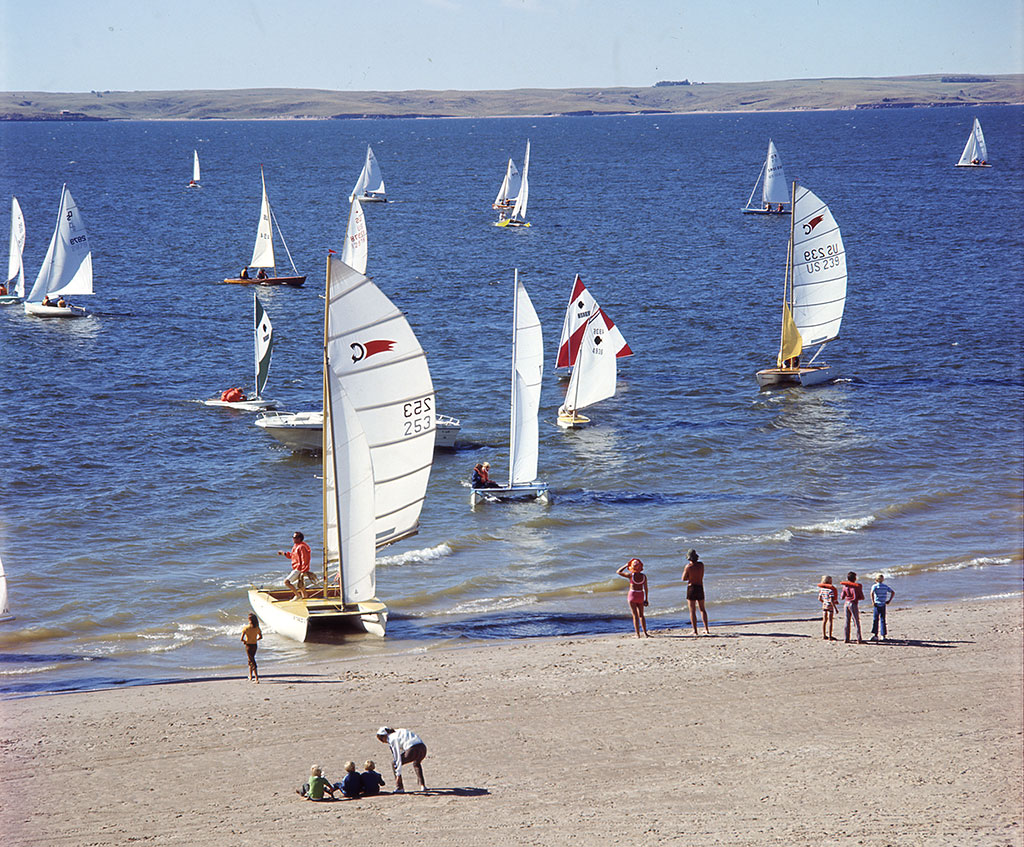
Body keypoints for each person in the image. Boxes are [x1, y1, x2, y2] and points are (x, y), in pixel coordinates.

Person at [376, 726, 428, 793]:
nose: (384, 742)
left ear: (384, 736)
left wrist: (398, 775)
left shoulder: (392, 739)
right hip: (423, 748)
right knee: (416, 763)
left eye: (382, 740)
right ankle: (423, 785)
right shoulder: (399, 731)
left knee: (394, 764)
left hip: (412, 749)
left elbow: (397, 757)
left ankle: (400, 787)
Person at [616, 558, 650, 638]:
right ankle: (645, 633)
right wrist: (646, 599)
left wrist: (625, 565)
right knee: (641, 615)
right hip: (641, 595)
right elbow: (646, 588)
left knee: (635, 615)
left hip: (632, 595)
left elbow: (618, 572)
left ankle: (637, 634)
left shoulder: (631, 575)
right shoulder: (644, 576)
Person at [682, 549, 710, 636]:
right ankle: (706, 629)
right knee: (702, 609)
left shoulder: (688, 567)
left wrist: (689, 577)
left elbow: (683, 578)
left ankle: (695, 630)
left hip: (692, 588)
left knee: (692, 611)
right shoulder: (701, 565)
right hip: (700, 587)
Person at [279, 531, 313, 599]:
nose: (293, 539)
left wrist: (304, 570)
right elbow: (292, 556)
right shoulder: (296, 546)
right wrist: (284, 554)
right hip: (297, 568)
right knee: (301, 586)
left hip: (299, 569)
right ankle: (305, 597)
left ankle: (297, 595)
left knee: (287, 582)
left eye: (295, 537)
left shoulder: (302, 547)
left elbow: (305, 559)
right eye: (293, 537)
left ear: (299, 538)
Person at [840, 571, 865, 644]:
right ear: (855, 579)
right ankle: (859, 639)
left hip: (846, 604)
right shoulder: (857, 587)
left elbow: (842, 597)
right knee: (856, 621)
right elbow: (861, 597)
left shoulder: (845, 586)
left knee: (847, 621)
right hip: (853, 604)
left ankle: (846, 638)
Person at [870, 573, 896, 641]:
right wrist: (889, 600)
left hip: (877, 604)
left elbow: (871, 593)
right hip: (883, 604)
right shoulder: (885, 586)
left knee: (875, 619)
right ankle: (883, 635)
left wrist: (873, 601)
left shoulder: (875, 586)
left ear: (876, 580)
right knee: (882, 619)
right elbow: (892, 592)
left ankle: (875, 635)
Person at [240, 612, 262, 683]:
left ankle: (256, 678)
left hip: (248, 645)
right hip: (255, 645)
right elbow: (260, 636)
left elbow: (241, 638)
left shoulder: (246, 628)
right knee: (250, 660)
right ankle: (250, 676)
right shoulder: (257, 628)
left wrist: (245, 641)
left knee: (252, 660)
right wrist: (255, 639)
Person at [817, 575, 839, 641]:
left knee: (824, 621)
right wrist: (835, 608)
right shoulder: (830, 590)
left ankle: (824, 635)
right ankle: (830, 636)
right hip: (830, 606)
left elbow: (819, 598)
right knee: (830, 621)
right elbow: (831, 600)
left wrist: (823, 602)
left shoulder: (821, 590)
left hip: (824, 606)